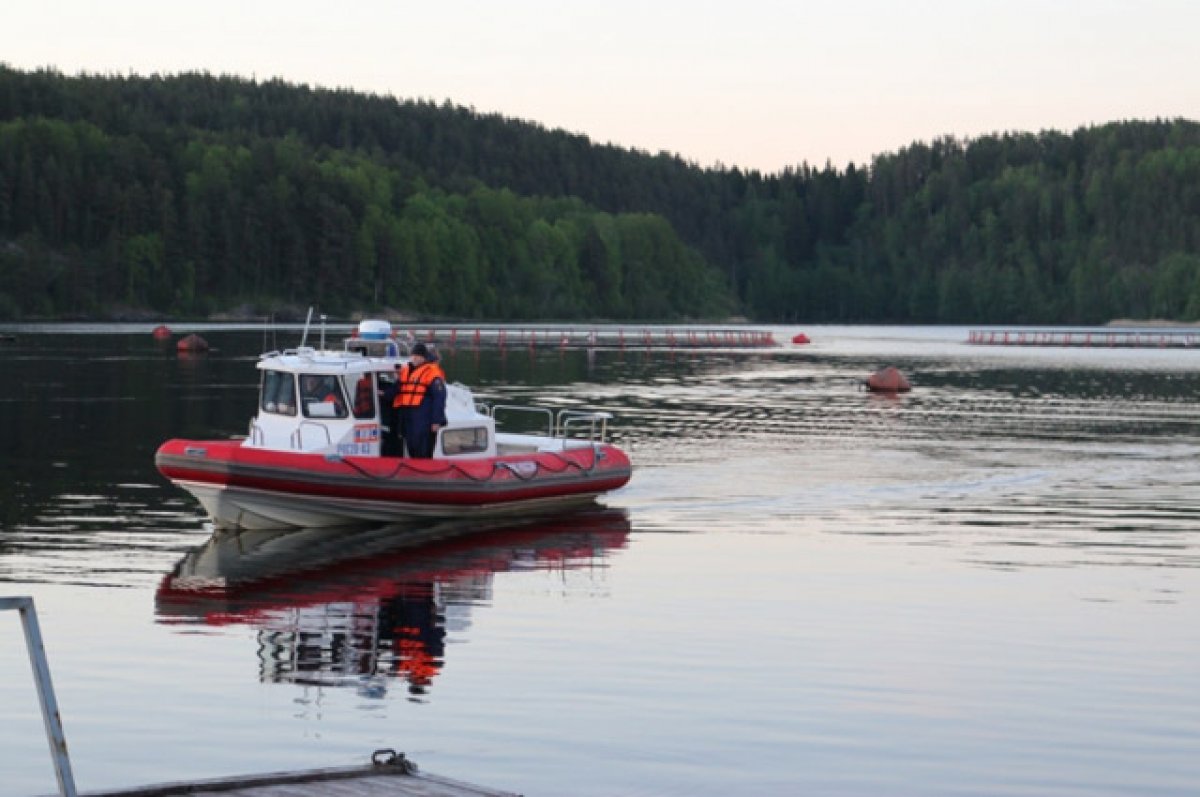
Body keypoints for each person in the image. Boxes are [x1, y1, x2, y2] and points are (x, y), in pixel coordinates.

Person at [392, 343, 447, 458]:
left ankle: (424, 471)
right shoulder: (405, 371)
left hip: (424, 417)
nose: (414, 358)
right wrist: (382, 393)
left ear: (424, 357)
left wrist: (436, 421)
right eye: (413, 355)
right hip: (409, 416)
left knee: (423, 448)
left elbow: (439, 398)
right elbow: (396, 388)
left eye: (417, 355)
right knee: (411, 445)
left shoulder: (432, 372)